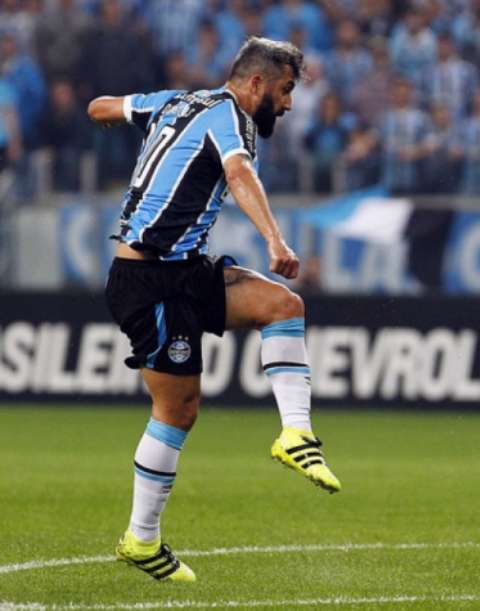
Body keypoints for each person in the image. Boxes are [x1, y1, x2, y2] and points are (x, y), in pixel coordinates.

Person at [87, 37, 341, 583]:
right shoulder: (233, 118)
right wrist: (276, 241)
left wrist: (108, 115)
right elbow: (239, 175)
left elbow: (102, 105)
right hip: (148, 279)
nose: (289, 104)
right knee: (178, 411)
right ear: (256, 84)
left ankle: (296, 433)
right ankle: (141, 539)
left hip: (184, 269)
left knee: (282, 304)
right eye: (285, 90)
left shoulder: (173, 102)